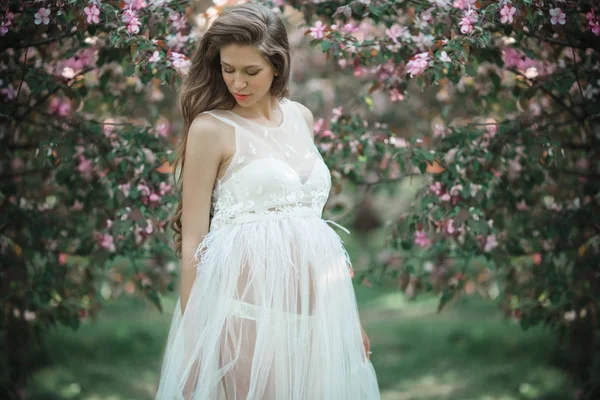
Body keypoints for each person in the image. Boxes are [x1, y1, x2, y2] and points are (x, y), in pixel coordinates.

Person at [155, 3, 380, 399]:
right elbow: (194, 239)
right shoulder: (211, 129)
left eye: (251, 71)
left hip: (320, 318)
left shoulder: (301, 117)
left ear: (278, 65)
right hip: (244, 314)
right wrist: (194, 338)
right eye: (227, 69)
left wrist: (349, 319)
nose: (237, 83)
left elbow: (315, 232)